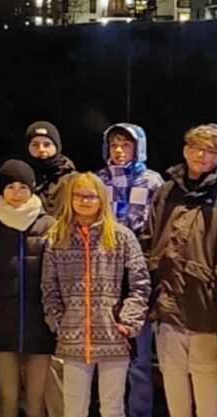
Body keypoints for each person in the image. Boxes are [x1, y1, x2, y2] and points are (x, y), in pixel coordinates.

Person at [146, 124, 217, 417]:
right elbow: (150, 240)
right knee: (172, 378)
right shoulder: (166, 191)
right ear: (185, 150)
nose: (201, 155)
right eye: (196, 148)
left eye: (210, 150)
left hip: (205, 309)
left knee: (206, 384)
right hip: (167, 305)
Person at [42, 171, 151, 417]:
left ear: (101, 199)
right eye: (79, 195)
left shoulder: (122, 237)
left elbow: (141, 284)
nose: (85, 201)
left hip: (113, 337)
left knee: (112, 408)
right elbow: (49, 287)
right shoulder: (57, 238)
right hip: (73, 338)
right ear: (70, 198)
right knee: (74, 408)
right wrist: (58, 321)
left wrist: (128, 323)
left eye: (91, 196)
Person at [0, 160, 57, 417]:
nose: (17, 193)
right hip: (2, 328)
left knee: (36, 400)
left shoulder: (49, 226)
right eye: (10, 187)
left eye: (23, 187)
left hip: (40, 328)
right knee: (7, 398)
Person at [98, 123, 163, 417]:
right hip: (104, 275)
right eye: (114, 145)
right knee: (106, 354)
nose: (119, 150)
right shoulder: (99, 181)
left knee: (139, 356)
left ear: (138, 148)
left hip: (138, 275)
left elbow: (159, 229)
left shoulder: (152, 182)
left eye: (125, 144)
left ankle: (139, 412)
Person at [26, 121, 77, 216]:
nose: (41, 149)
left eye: (47, 145)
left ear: (57, 146)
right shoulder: (22, 176)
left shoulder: (72, 179)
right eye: (35, 145)